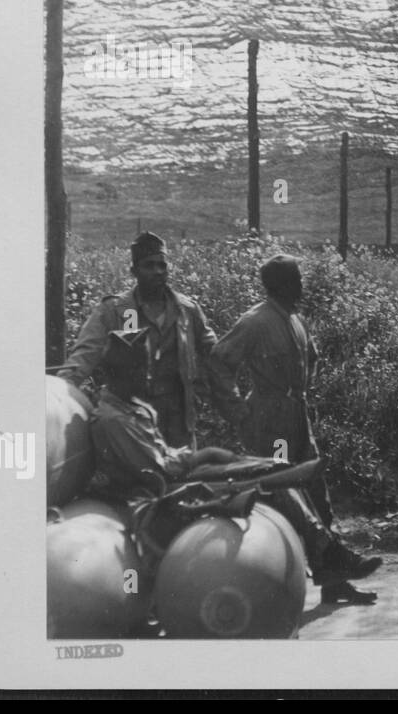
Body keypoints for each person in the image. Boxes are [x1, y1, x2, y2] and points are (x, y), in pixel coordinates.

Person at [84, 330, 381, 602]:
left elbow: (160, 456)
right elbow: (158, 470)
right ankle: (329, 552)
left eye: (147, 367)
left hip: (176, 476)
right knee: (269, 484)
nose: (148, 376)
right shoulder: (113, 420)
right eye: (140, 369)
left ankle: (327, 553)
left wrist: (201, 456)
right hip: (164, 492)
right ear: (118, 373)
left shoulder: (131, 406)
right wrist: (200, 455)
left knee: (273, 472)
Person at [209, 254, 379, 605]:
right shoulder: (255, 321)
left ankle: (334, 581)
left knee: (317, 493)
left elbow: (311, 357)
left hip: (297, 415)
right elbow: (220, 360)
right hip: (268, 421)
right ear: (281, 285)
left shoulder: (296, 320)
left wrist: (299, 393)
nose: (302, 285)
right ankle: (275, 579)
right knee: (283, 492)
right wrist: (239, 410)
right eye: (296, 279)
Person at [58, 232, 236, 447]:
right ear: (134, 271)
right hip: (132, 415)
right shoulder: (116, 311)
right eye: (149, 266)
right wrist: (59, 394)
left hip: (178, 416)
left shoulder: (186, 310)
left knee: (184, 473)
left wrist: (226, 398)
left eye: (162, 266)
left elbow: (213, 354)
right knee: (141, 474)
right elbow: (85, 355)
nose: (157, 272)